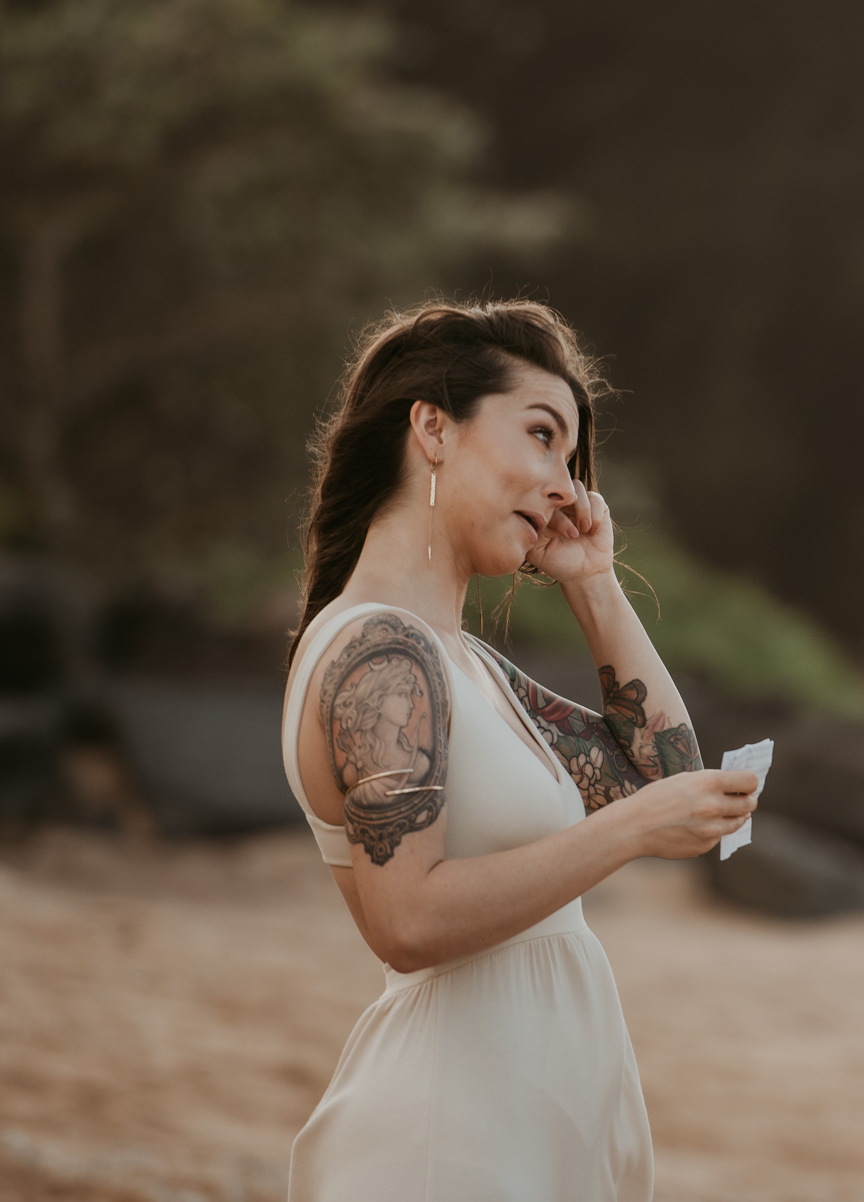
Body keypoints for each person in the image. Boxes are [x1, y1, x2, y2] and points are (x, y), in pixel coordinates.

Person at [278, 301, 760, 1201]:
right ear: (433, 428)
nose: (567, 489)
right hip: (447, 1137)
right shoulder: (382, 654)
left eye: (573, 461)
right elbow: (407, 924)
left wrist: (595, 585)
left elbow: (670, 784)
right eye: (542, 438)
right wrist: (629, 834)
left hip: (524, 1125)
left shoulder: (464, 664)